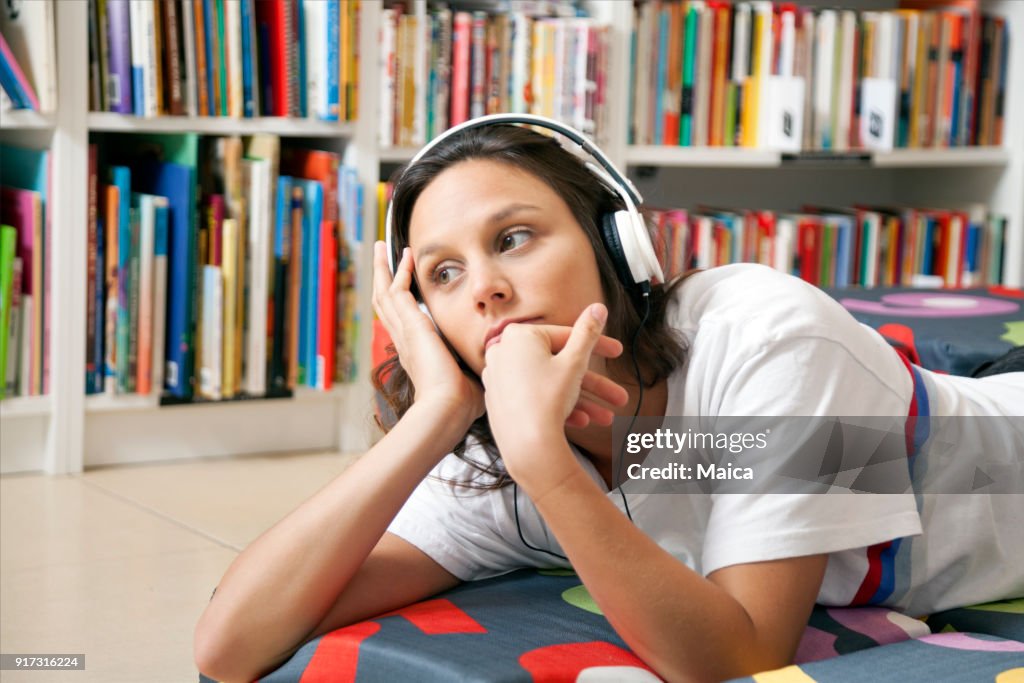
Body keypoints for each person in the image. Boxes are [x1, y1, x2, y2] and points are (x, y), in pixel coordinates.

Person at [194, 117, 1024, 683]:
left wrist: (547, 467)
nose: (483, 287)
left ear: (615, 245)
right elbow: (230, 647)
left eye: (512, 238)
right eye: (442, 273)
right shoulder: (499, 439)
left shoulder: (767, 335)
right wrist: (433, 416)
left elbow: (739, 656)